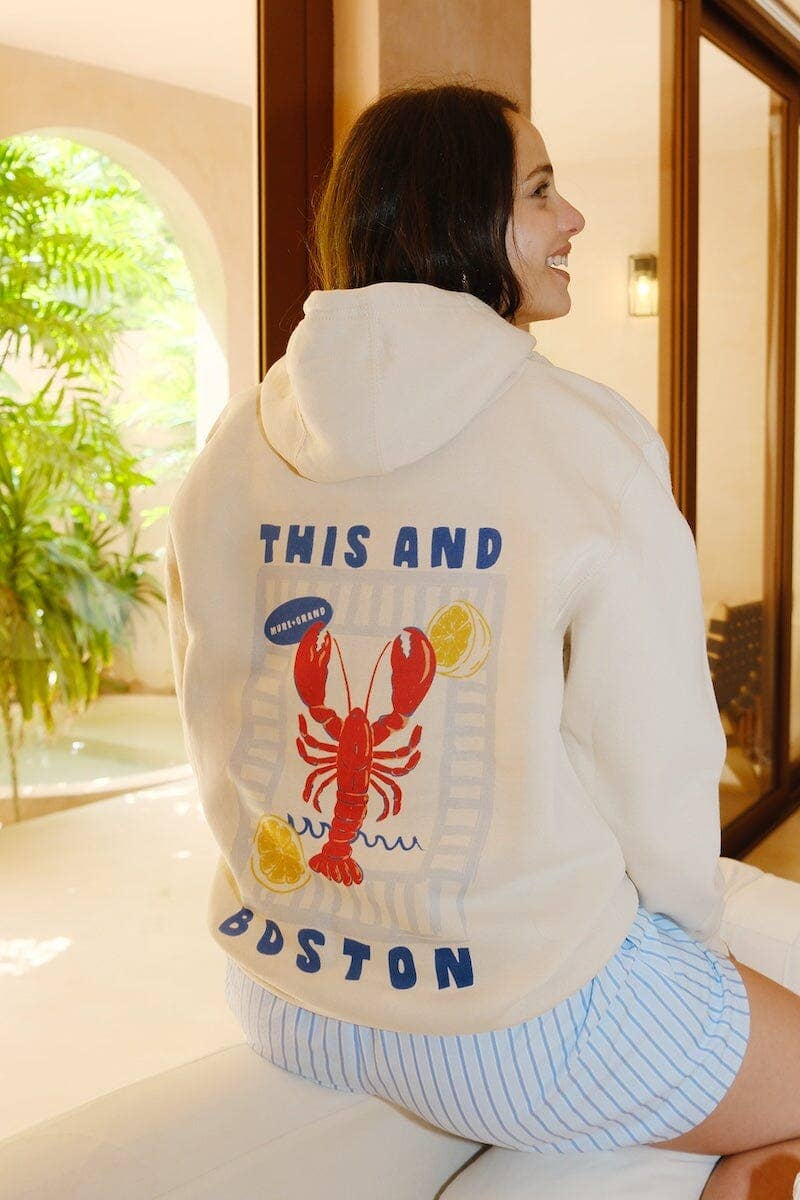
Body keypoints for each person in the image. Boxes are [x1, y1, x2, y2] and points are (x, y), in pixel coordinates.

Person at [164, 81, 800, 1196]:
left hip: (281, 989)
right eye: (541, 191)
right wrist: (684, 941)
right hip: (514, 1019)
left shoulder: (230, 445)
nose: (574, 220)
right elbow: (650, 757)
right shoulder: (587, 440)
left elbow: (214, 711)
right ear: (453, 212)